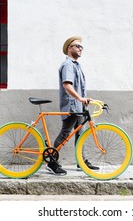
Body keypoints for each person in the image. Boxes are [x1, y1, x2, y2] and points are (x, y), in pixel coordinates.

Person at [46, 36, 100, 175]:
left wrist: (82, 100)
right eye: (77, 46)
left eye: (82, 47)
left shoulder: (76, 65)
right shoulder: (68, 65)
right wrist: (80, 98)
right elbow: (67, 85)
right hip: (72, 106)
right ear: (69, 48)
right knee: (65, 134)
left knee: (80, 135)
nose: (80, 48)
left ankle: (80, 161)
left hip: (80, 107)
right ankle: (51, 162)